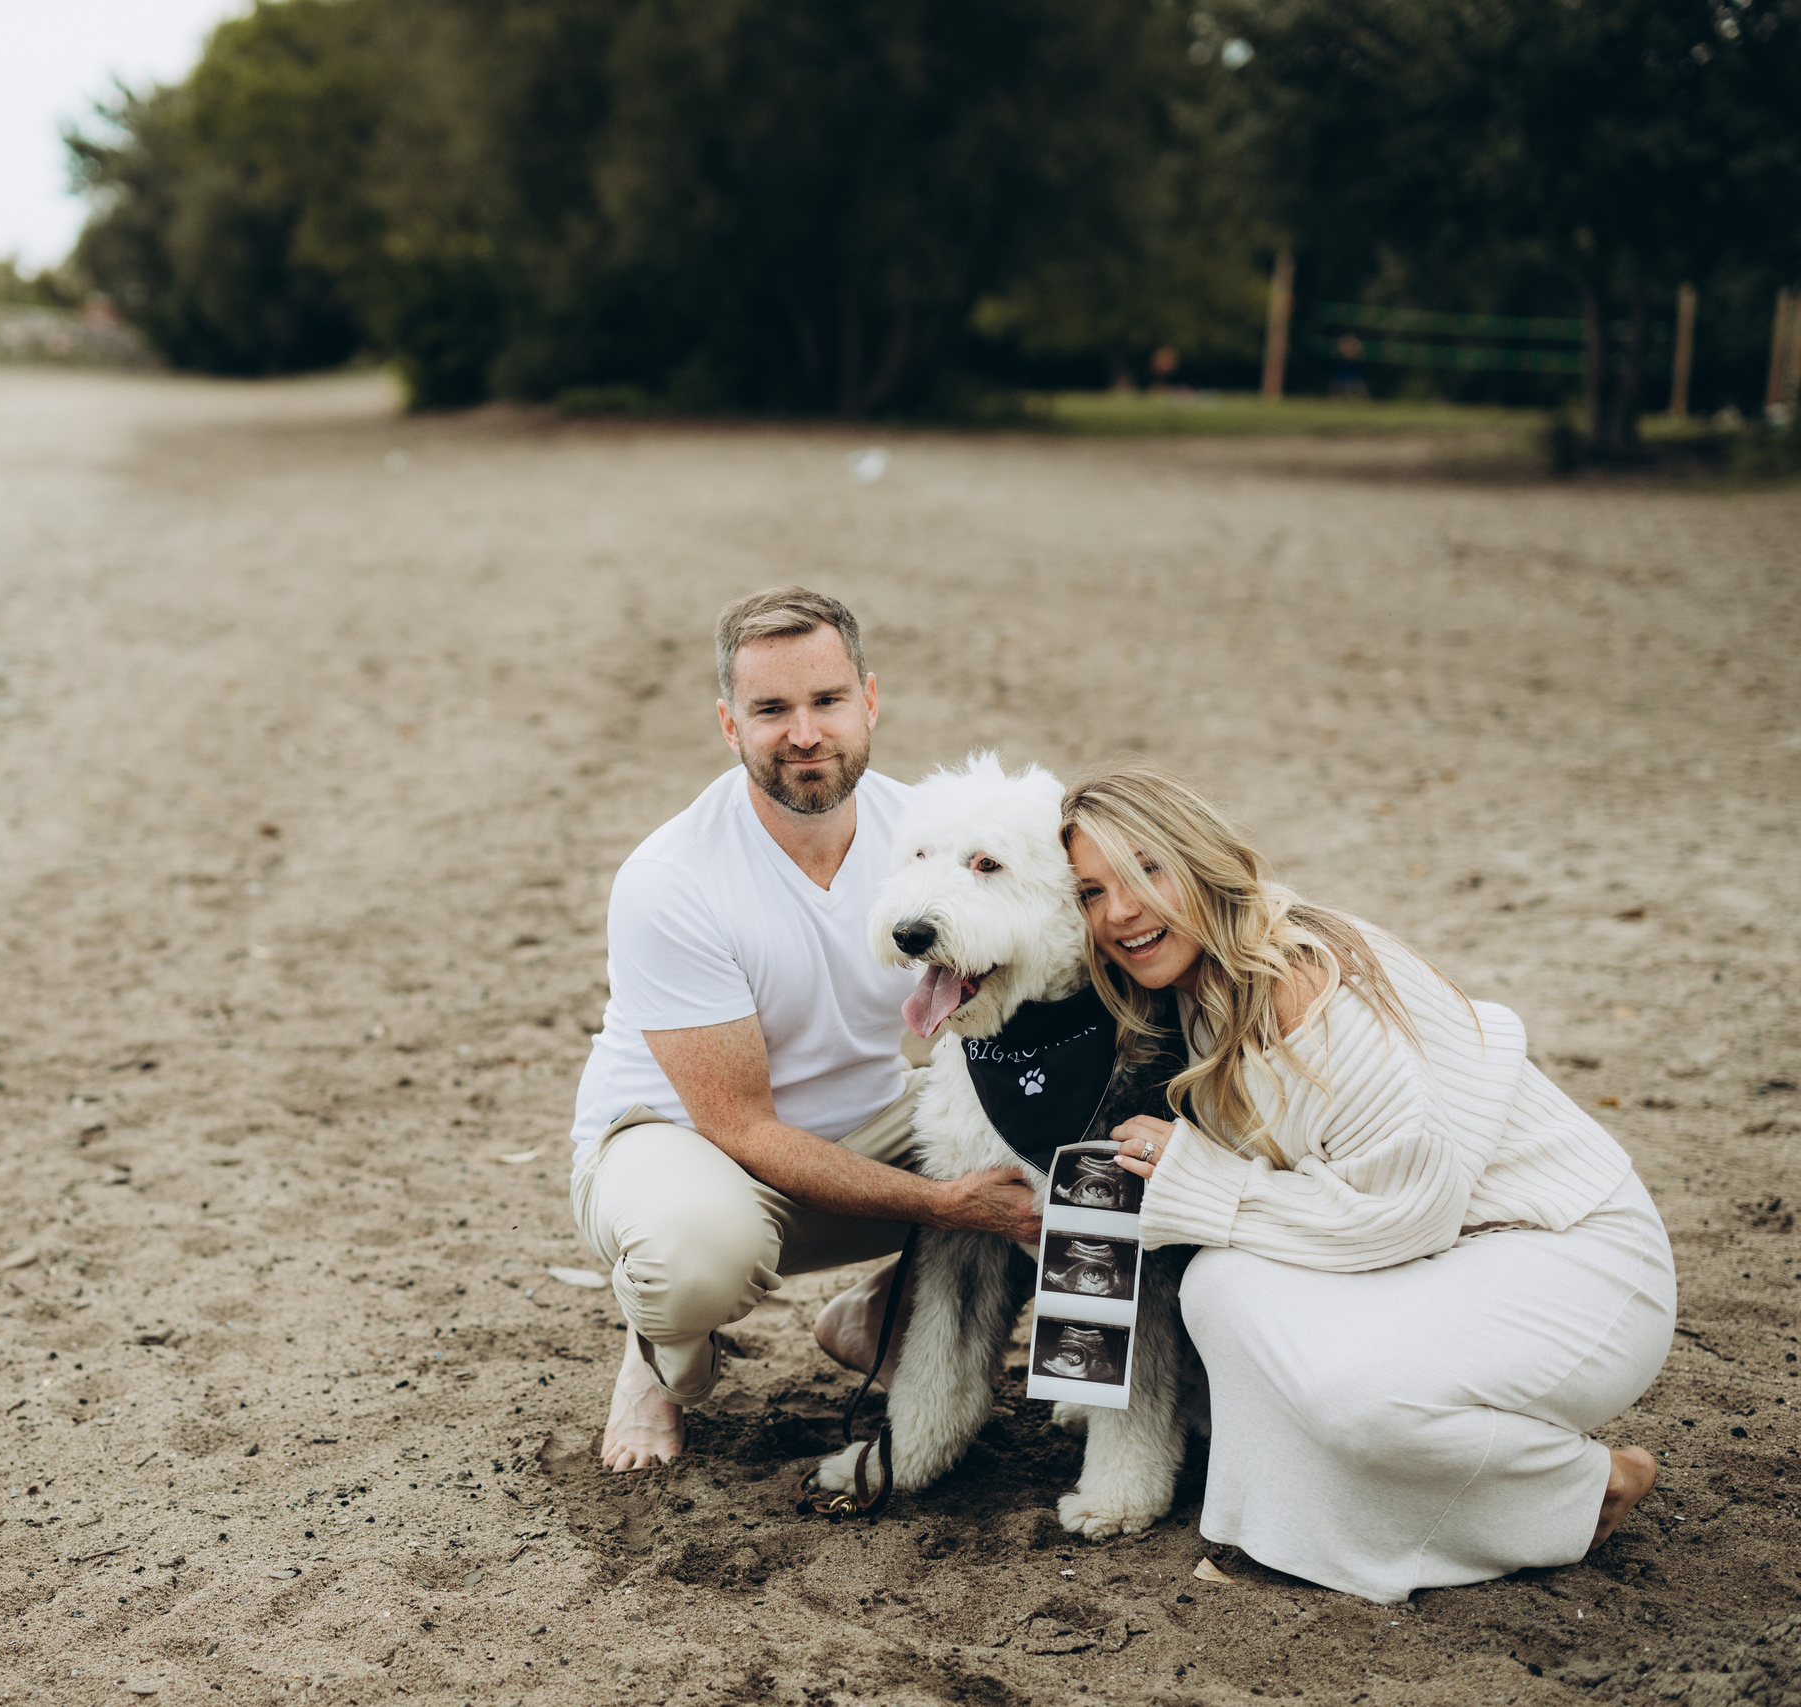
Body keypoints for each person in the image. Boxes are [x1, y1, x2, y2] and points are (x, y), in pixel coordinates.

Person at [1062, 762, 1672, 1602]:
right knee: (1221, 1289)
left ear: (1200, 857)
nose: (1120, 911)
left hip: (1570, 1249)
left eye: (1145, 870)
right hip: (1446, 1255)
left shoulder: (1304, 978)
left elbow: (1406, 1213)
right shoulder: (1198, 988)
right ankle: (1285, 1521)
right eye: (1092, 892)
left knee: (1355, 1399)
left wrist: (1203, 1179)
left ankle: (1580, 1482)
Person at [569, 587, 1041, 1472]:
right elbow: (741, 1127)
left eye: (825, 701)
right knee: (695, 1260)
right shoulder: (671, 877)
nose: (805, 732)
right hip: (681, 1148)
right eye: (771, 709)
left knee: (1039, 1145)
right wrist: (945, 1206)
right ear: (728, 724)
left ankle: (880, 1314)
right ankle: (654, 1358)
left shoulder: (929, 832)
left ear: (869, 699)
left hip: (863, 1131)